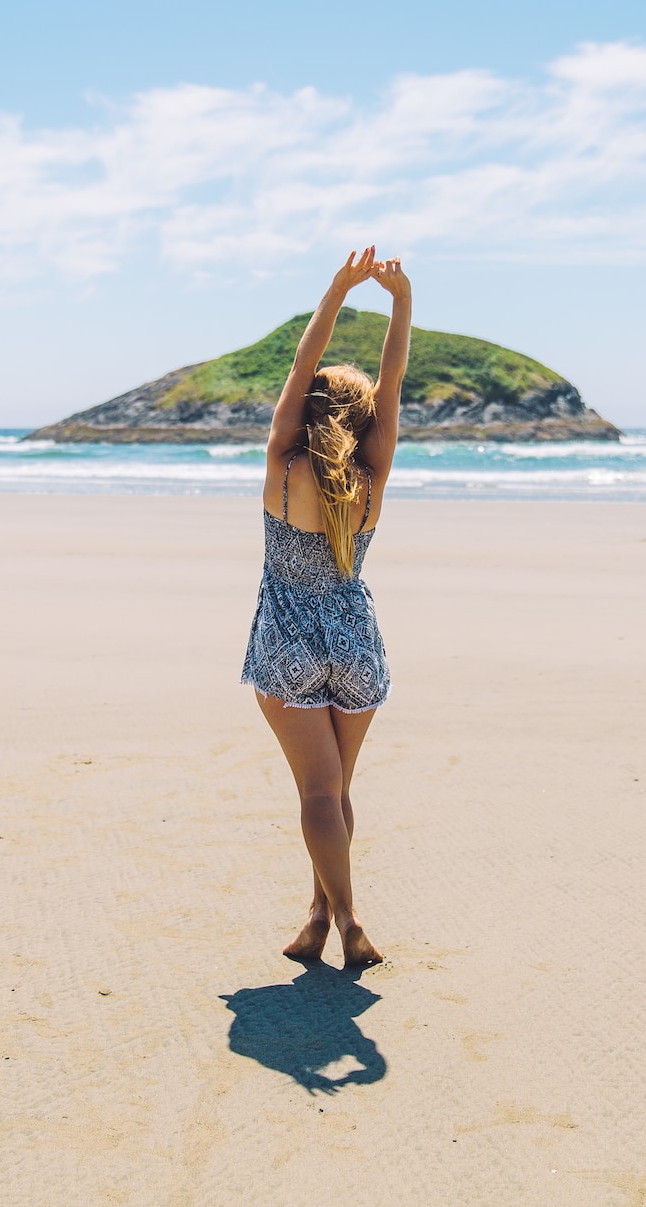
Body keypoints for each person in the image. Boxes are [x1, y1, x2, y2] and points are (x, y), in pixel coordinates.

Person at [240, 245, 410, 967]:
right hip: (355, 641)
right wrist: (402, 303)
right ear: (366, 420)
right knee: (336, 792)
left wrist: (337, 291)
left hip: (288, 641)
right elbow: (394, 385)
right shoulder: (372, 474)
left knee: (317, 793)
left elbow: (296, 372)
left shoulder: (284, 464)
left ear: (308, 409)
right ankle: (317, 914)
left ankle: (347, 921)